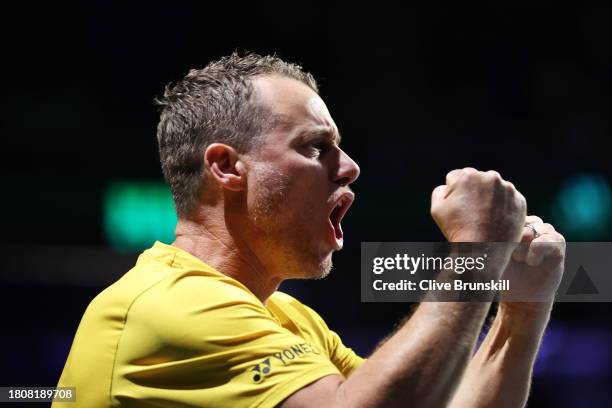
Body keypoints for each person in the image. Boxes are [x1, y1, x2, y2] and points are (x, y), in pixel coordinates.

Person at [54, 52, 566, 407]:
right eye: (315, 148)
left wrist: (520, 316)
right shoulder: (169, 306)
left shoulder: (287, 318)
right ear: (228, 168)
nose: (349, 168)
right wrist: (473, 253)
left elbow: (427, 399)